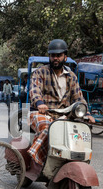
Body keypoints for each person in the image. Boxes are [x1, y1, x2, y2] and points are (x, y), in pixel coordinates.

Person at [28, 39, 94, 169]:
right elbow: (34, 90)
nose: (55, 58)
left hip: (64, 116)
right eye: (53, 56)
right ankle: (39, 160)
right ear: (49, 57)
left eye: (59, 55)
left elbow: (78, 97)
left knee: (80, 131)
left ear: (65, 57)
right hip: (42, 113)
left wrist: (86, 113)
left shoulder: (71, 76)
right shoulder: (40, 72)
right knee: (47, 127)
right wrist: (40, 103)